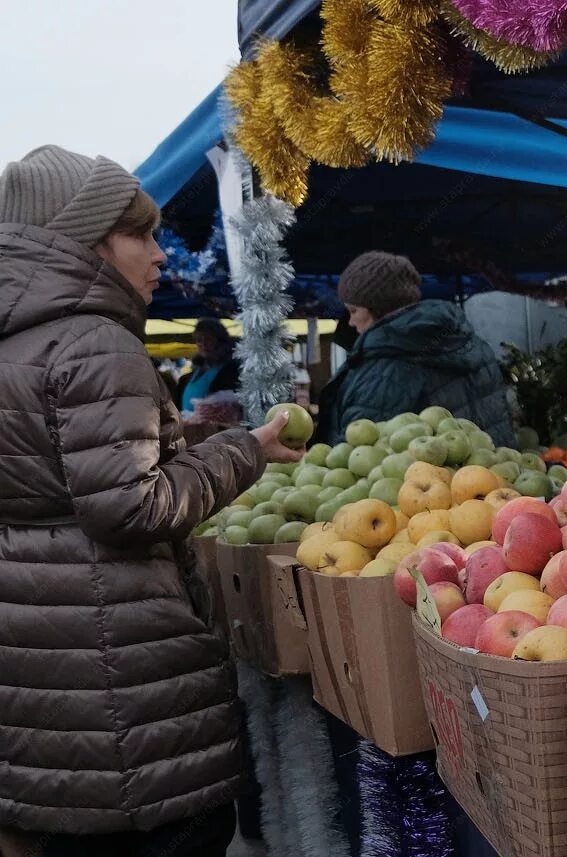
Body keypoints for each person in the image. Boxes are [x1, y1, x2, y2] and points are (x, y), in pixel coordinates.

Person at [0, 145, 302, 856]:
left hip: (40, 682)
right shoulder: (95, 342)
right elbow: (130, 505)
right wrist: (244, 449)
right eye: (140, 233)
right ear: (83, 239)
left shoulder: (18, 345)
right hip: (127, 690)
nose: (161, 255)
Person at [313, 251, 512, 445]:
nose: (350, 322)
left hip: (421, 477)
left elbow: (357, 451)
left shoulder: (385, 370)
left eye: (354, 310)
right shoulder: (473, 345)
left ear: (378, 305)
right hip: (491, 474)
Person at [176, 317, 242, 413]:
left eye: (209, 339)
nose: (203, 344)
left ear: (220, 341)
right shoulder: (196, 370)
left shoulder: (230, 369)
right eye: (199, 340)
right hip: (190, 424)